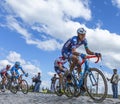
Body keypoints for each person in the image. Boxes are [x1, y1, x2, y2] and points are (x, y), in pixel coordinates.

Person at [61, 27, 101, 92]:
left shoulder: (84, 40)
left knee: (79, 64)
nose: (83, 36)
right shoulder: (74, 39)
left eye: (84, 34)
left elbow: (88, 51)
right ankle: (69, 75)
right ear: (78, 34)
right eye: (81, 34)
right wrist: (81, 54)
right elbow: (74, 52)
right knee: (76, 59)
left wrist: (95, 53)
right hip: (65, 51)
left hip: (72, 51)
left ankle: (81, 82)